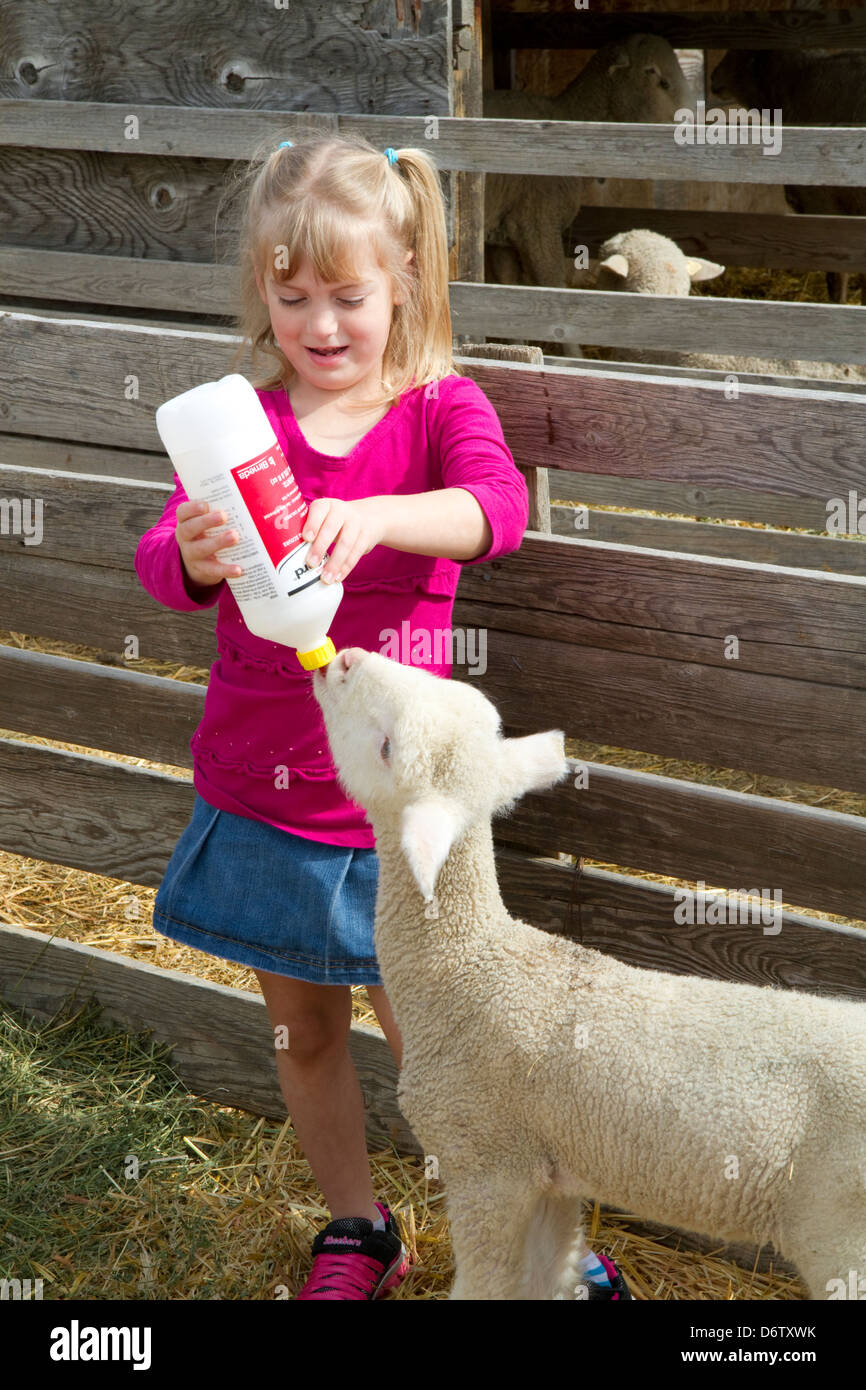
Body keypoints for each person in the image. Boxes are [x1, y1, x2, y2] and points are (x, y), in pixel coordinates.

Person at [135, 133, 629, 1301]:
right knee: (301, 1033)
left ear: (402, 276)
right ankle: (359, 1227)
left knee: (447, 1056)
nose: (318, 323)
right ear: (263, 290)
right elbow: (163, 557)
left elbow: (495, 510)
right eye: (291, 294)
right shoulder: (241, 426)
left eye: (347, 295)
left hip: (401, 812)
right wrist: (196, 554)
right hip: (263, 789)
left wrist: (383, 519)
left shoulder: (435, 407)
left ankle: (536, 1251)